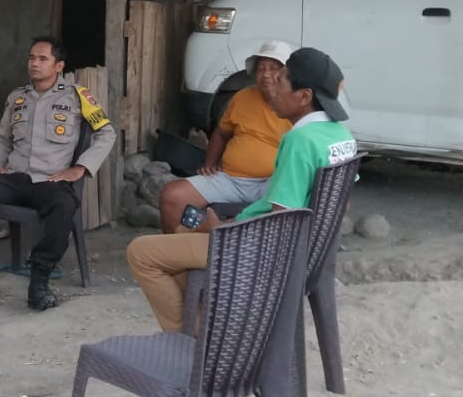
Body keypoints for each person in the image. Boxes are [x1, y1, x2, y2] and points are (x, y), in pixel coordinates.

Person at [126, 47, 358, 332]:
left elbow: (280, 221)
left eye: (281, 80)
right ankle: (207, 320)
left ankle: (190, 339)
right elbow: (342, 204)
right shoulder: (342, 136)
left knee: (141, 253)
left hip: (260, 252)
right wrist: (228, 223)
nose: (273, 86)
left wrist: (222, 229)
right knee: (182, 235)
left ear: (304, 96)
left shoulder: (300, 140)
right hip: (303, 253)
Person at [0, 36, 116, 310]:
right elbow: (3, 138)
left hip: (50, 180)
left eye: (43, 58)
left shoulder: (78, 96)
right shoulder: (17, 97)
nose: (35, 63)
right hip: (14, 178)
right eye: (32, 57)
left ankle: (39, 281)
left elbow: (106, 133)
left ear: (59, 65)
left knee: (64, 205)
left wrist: (80, 168)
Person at [158, 39, 296, 233]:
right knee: (172, 196)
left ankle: (230, 244)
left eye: (274, 68)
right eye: (261, 68)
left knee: (283, 209)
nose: (266, 74)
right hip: (231, 179)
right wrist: (209, 163)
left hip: (271, 183)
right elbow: (221, 134)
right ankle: (178, 249)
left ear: (287, 74)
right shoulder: (242, 97)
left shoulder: (295, 104)